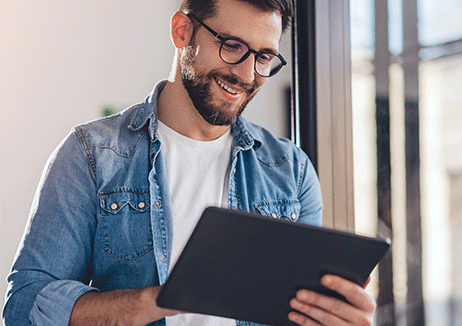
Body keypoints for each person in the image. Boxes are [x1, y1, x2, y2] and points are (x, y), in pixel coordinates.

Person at [3, 0, 377, 325]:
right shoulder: (91, 155)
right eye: (232, 46)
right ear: (182, 32)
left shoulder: (291, 172)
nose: (247, 75)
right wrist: (167, 298)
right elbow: (23, 306)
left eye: (263, 57)